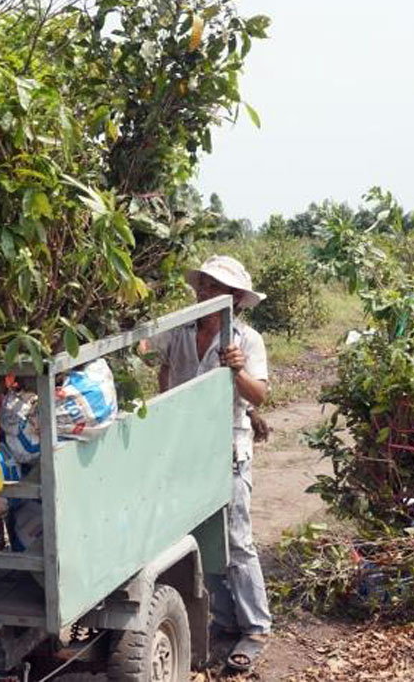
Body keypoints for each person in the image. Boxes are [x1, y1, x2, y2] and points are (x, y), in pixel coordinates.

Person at [155, 255, 272, 673]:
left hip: (228, 449)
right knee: (204, 539)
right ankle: (225, 619)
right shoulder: (182, 329)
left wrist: (237, 370)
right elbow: (165, 369)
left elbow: (257, 395)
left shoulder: (247, 340)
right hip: (186, 448)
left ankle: (256, 627)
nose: (204, 292)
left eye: (214, 287)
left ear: (235, 299)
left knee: (238, 539)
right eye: (202, 285)